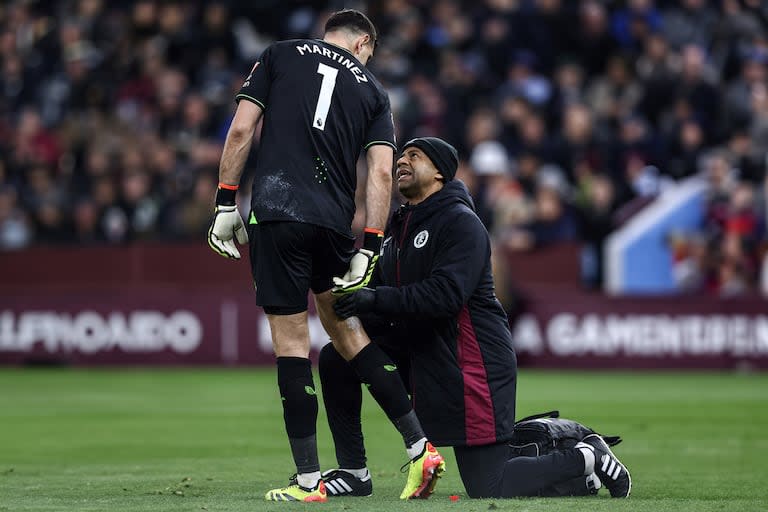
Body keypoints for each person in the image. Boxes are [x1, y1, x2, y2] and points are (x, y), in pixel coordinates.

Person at [206, 9, 444, 503]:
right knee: (348, 334)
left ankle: (309, 482)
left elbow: (241, 131)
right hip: (333, 226)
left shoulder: (278, 55)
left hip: (277, 211)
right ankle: (421, 447)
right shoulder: (376, 92)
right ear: (362, 45)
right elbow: (380, 175)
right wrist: (371, 244)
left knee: (292, 343)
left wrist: (226, 199)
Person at [320, 136, 632, 499]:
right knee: (337, 357)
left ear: (439, 172)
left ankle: (584, 458)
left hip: (471, 362)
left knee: (488, 484)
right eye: (400, 156)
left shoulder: (460, 223)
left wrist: (373, 299)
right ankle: (354, 472)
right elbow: (386, 300)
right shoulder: (397, 231)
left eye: (414, 156)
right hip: (426, 355)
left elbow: (445, 296)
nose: (401, 162)